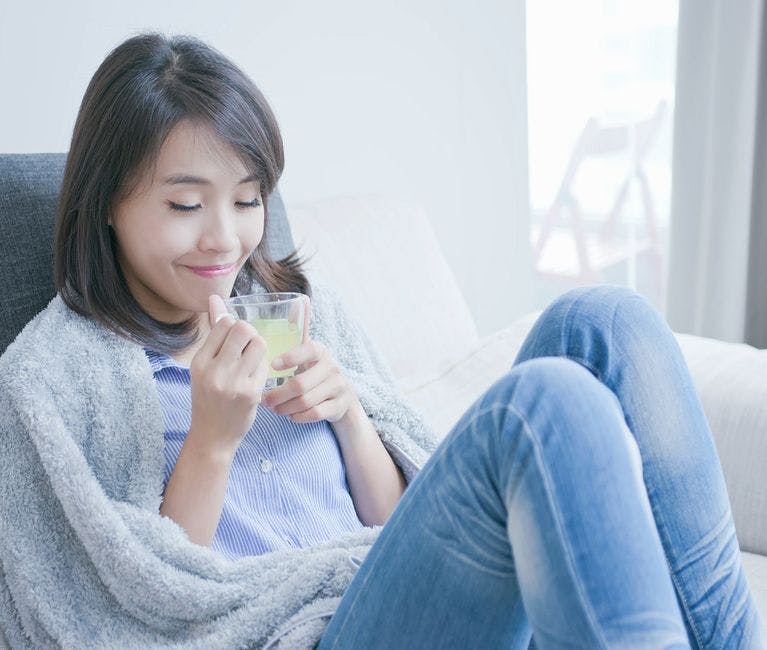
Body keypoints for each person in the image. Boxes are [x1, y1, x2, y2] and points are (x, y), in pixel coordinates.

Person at [0, 32, 762, 650]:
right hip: (298, 633)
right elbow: (133, 608)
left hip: (390, 586)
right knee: (540, 407)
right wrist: (210, 443)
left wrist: (351, 418)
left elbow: (402, 522)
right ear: (106, 203)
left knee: (606, 318)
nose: (224, 239)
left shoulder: (302, 313)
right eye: (185, 204)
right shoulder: (53, 377)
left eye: (246, 199)